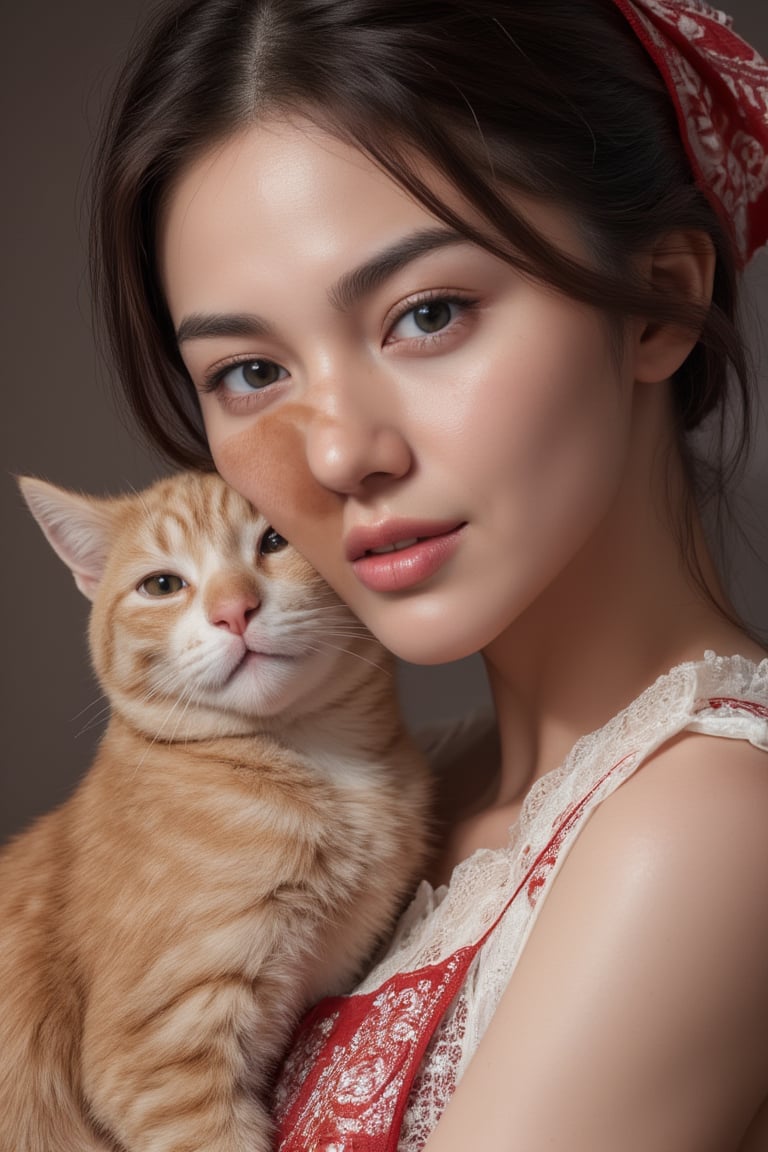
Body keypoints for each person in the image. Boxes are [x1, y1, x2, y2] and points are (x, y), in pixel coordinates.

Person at [90, 0, 768, 1147]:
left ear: (664, 299)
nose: (342, 451)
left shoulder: (704, 830)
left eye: (429, 313)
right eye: (251, 370)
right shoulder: (421, 807)